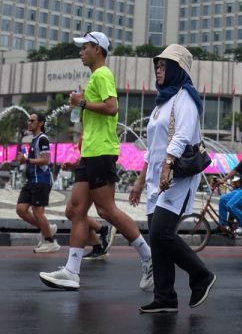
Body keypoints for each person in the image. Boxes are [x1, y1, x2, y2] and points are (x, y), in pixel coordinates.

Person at [38, 32, 153, 291]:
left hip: (101, 153)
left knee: (106, 210)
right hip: (91, 154)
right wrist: (80, 109)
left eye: (85, 47)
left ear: (98, 49)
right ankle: (71, 271)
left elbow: (112, 108)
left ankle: (149, 257)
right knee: (75, 210)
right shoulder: (94, 77)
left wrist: (83, 102)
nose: (81, 52)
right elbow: (93, 119)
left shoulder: (103, 75)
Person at [128, 45, 216, 314]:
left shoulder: (185, 97)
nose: (158, 69)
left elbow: (182, 136)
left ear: (177, 69)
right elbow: (152, 147)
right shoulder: (161, 102)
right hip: (157, 178)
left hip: (178, 175)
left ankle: (201, 274)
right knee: (157, 238)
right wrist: (141, 180)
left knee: (161, 232)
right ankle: (165, 296)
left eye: (164, 65)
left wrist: (167, 167)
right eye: (158, 65)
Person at [16, 112, 57, 253]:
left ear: (41, 123)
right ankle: (48, 229)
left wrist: (26, 160)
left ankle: (50, 242)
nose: (29, 123)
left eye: (32, 121)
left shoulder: (43, 139)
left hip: (42, 180)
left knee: (38, 212)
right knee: (21, 209)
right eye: (28, 120)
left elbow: (46, 160)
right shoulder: (34, 139)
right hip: (31, 180)